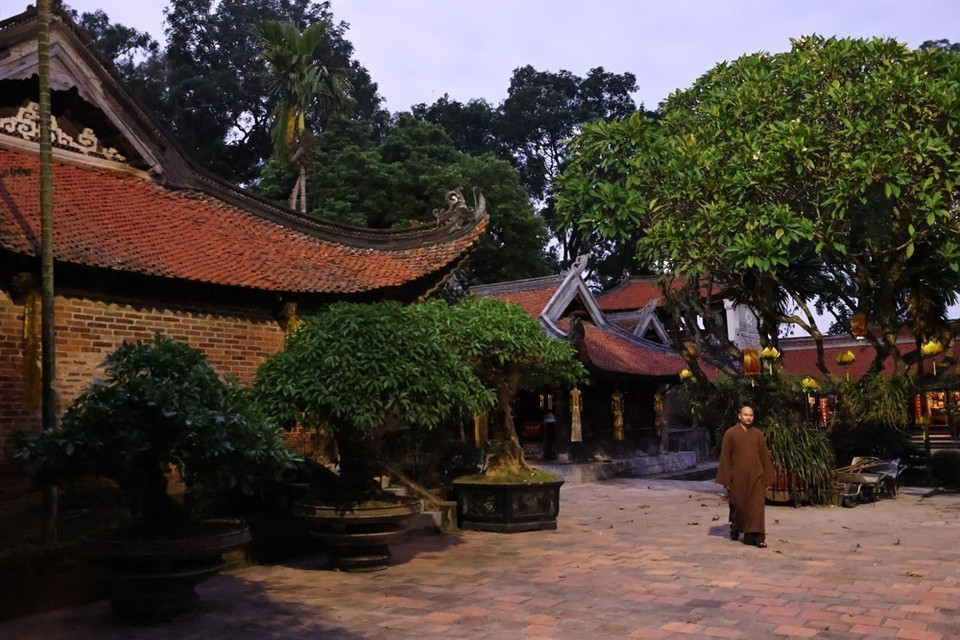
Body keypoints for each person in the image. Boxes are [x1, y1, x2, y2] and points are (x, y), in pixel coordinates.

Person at [716, 405, 775, 548]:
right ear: (739, 416)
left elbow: (764, 456)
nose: (748, 418)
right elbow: (725, 457)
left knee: (756, 507)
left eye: (751, 415)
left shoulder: (758, 434)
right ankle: (736, 526)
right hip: (737, 477)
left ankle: (757, 537)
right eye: (745, 415)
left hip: (756, 476)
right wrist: (726, 479)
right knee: (738, 505)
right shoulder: (730, 434)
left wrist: (767, 478)